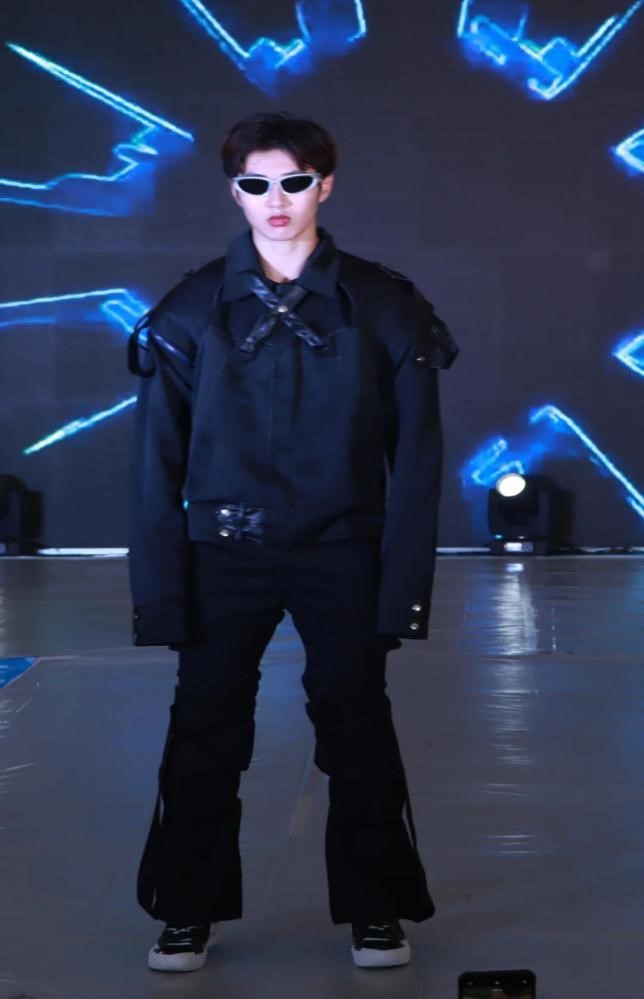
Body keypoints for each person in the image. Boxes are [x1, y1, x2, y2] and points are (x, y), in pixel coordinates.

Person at [127, 111, 458, 974]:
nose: (275, 200)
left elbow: (418, 462)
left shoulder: (385, 304)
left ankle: (376, 908)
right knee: (204, 726)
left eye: (294, 181)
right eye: (255, 183)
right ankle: (186, 910)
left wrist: (402, 590)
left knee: (356, 723)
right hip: (221, 552)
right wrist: (160, 594)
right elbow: (155, 463)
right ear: (233, 191)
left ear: (325, 185)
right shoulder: (191, 308)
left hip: (342, 547)